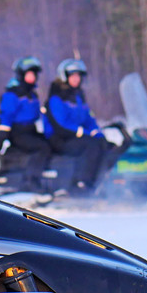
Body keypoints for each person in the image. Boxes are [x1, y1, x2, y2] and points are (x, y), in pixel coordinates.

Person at [43, 58, 118, 194]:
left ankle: (103, 183)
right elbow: (61, 125)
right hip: (60, 139)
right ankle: (82, 183)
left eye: (78, 76)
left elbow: (88, 118)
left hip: (76, 136)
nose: (76, 79)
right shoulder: (56, 98)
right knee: (91, 145)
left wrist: (97, 133)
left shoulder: (78, 96)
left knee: (105, 144)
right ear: (64, 76)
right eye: (73, 76)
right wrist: (84, 133)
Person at [0, 56, 51, 192]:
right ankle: (31, 180)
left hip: (31, 130)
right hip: (17, 132)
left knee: (49, 143)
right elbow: (6, 115)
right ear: (21, 75)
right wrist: (0, 137)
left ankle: (43, 176)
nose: (32, 77)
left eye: (34, 75)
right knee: (42, 148)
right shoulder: (13, 94)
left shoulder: (32, 94)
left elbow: (37, 114)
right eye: (29, 74)